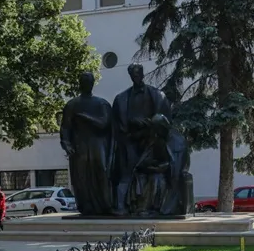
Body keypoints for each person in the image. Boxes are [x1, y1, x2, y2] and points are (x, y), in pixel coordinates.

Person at [111, 63, 172, 216]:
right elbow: (116, 125)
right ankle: (121, 206)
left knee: (148, 174)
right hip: (129, 141)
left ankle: (146, 206)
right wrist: (132, 122)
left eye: (138, 74)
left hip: (151, 142)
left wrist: (147, 123)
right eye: (133, 75)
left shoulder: (157, 95)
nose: (136, 77)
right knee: (126, 175)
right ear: (130, 76)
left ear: (143, 74)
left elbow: (165, 122)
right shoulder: (121, 99)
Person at [59, 72, 114, 215]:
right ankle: (85, 205)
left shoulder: (102, 103)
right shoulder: (72, 104)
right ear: (80, 84)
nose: (86, 84)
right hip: (80, 145)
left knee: (102, 170)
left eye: (89, 82)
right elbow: (65, 127)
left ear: (93, 83)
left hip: (98, 144)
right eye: (84, 82)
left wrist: (86, 117)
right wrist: (66, 143)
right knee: (81, 175)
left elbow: (105, 124)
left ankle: (106, 204)